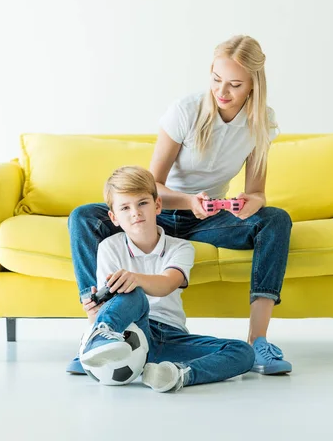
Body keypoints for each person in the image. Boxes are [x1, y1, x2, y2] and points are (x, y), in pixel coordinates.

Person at [68, 34, 292, 376]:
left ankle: (258, 341)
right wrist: (188, 200)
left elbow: (257, 192)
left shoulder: (261, 122)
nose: (223, 92)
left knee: (275, 220)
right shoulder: (186, 111)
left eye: (234, 84)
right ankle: (98, 333)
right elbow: (151, 185)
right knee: (84, 216)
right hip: (161, 208)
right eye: (217, 80)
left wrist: (249, 203)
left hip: (207, 219)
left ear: (253, 85)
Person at [79, 166, 254, 392]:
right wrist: (95, 312)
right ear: (114, 218)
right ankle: (99, 336)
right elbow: (113, 302)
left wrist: (135, 278)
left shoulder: (180, 247)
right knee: (132, 293)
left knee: (243, 352)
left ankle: (176, 373)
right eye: (125, 207)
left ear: (157, 205)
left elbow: (167, 283)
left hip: (172, 336)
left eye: (142, 203)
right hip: (133, 332)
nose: (135, 212)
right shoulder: (109, 247)